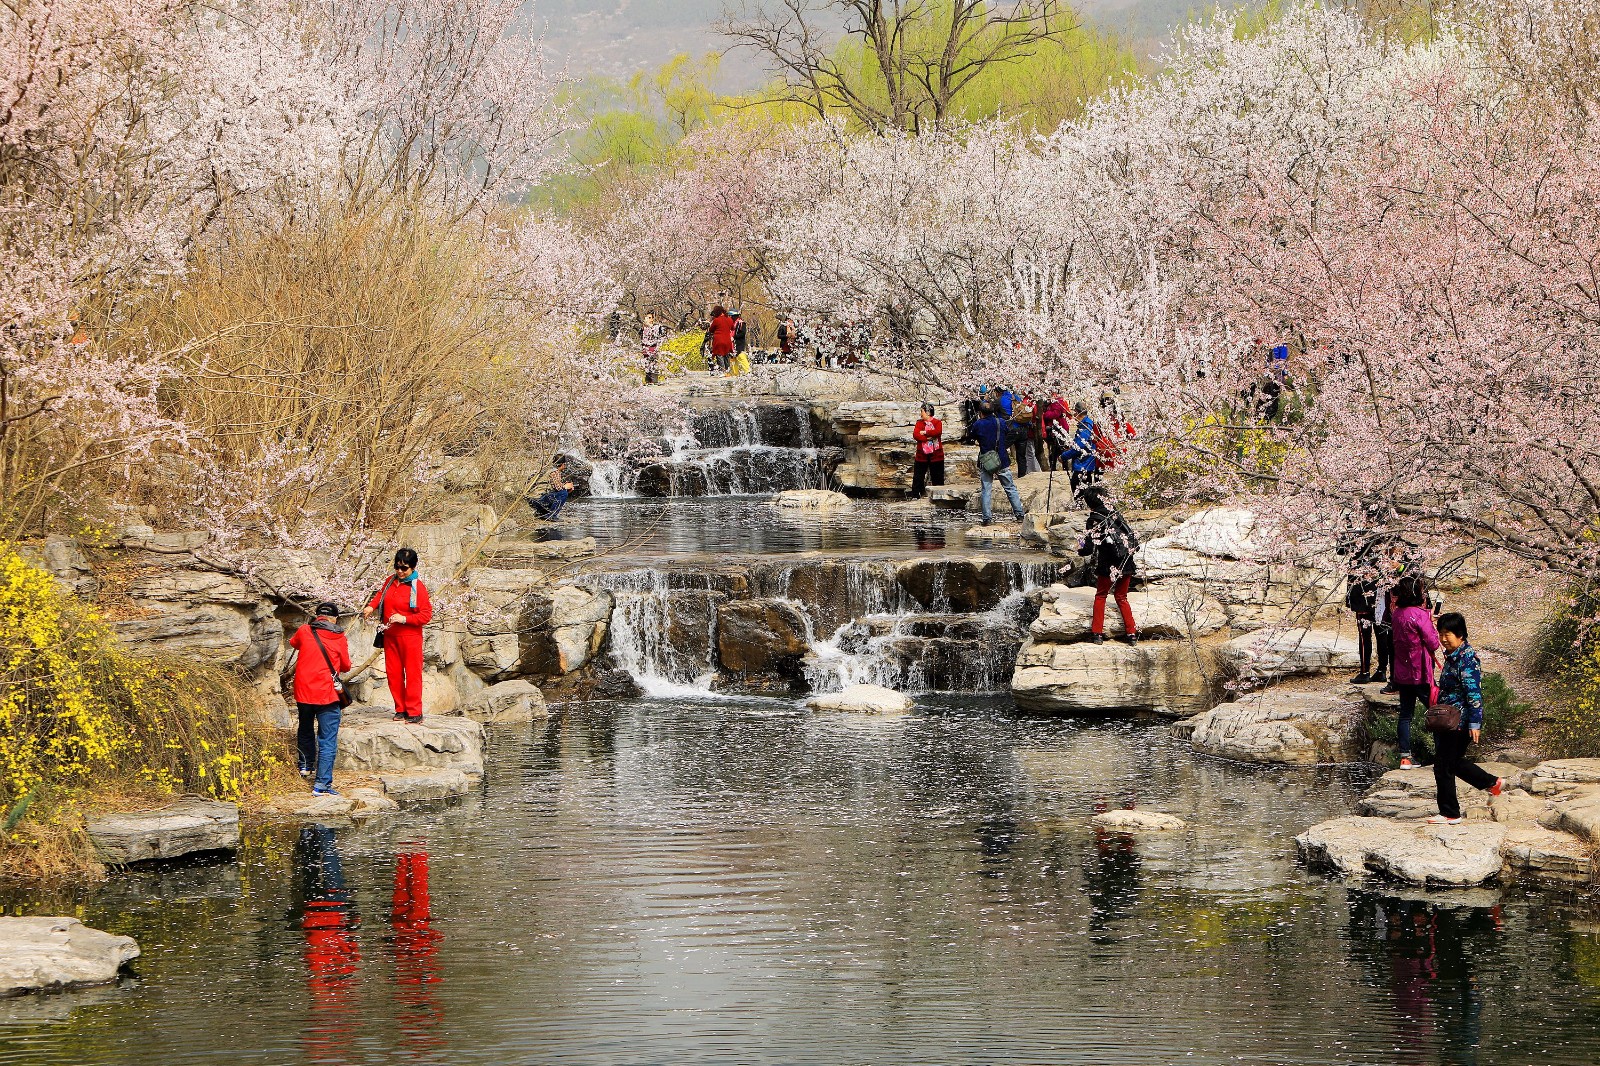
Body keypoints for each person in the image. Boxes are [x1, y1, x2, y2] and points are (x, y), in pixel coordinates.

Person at [1428, 611, 1506, 824]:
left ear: (1460, 634)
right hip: (1447, 721)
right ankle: (1492, 783)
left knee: (1444, 765)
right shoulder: (1453, 657)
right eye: (1441, 634)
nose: (1444, 639)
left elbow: (1474, 694)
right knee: (1452, 763)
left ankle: (1450, 813)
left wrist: (1474, 723)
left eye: (1448, 634)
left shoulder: (1467, 659)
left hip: (1458, 722)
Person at [289, 602, 351, 796]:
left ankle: (305, 767)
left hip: (304, 691)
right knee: (327, 739)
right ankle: (321, 785)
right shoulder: (339, 636)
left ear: (317, 617)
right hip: (327, 694)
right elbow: (346, 666)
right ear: (335, 619)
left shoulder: (304, 630)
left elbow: (294, 643)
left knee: (305, 728)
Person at [365, 548, 433, 724]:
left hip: (410, 636)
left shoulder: (418, 587)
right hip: (390, 635)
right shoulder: (390, 581)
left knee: (412, 674)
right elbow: (380, 595)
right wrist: (371, 606)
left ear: (413, 568)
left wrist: (405, 619)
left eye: (405, 568)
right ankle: (400, 709)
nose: (400, 572)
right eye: (398, 567)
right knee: (393, 674)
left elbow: (426, 615)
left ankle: (414, 711)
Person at [1390, 574, 1441, 771]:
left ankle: (1405, 757)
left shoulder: (1397, 614)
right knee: (1436, 710)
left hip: (1403, 673)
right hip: (1420, 672)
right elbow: (1433, 643)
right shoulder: (1419, 615)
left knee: (1405, 714)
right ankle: (1442, 753)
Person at [1079, 485, 1140, 645]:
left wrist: (1079, 545)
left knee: (1101, 596)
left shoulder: (1094, 520)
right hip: (1126, 562)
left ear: (1089, 502)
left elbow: (1087, 550)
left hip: (1108, 565)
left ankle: (1097, 634)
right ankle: (1132, 634)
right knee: (1121, 597)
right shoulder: (1116, 514)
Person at [969, 402, 1026, 525]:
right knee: (1010, 488)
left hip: (986, 461)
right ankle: (1020, 515)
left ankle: (987, 518)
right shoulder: (1000, 422)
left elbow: (972, 436)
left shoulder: (978, 424)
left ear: (981, 413)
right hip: (1002, 459)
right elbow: (1006, 433)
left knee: (986, 489)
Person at [1065, 400, 1100, 498]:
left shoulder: (1086, 426)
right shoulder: (1085, 424)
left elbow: (1079, 447)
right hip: (1084, 464)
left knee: (1079, 492)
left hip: (1083, 464)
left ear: (1077, 412)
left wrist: (1064, 456)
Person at [911, 402, 945, 498]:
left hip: (936, 455)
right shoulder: (919, 423)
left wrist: (925, 432)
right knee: (918, 476)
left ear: (928, 412)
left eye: (922, 411)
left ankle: (939, 497)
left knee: (937, 477)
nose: (921, 414)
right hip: (922, 455)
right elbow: (916, 435)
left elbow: (937, 432)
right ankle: (916, 495)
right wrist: (927, 438)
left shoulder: (937, 422)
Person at [1010, 393, 1039, 475]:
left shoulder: (1026, 402)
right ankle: (1024, 473)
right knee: (1023, 454)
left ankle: (1033, 470)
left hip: (1017, 429)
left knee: (1029, 452)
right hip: (1025, 429)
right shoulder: (1026, 401)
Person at [1043, 394, 1070, 471]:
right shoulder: (1054, 401)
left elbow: (1056, 413)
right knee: (1055, 449)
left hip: (1060, 428)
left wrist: (1045, 414)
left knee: (1060, 448)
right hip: (1056, 428)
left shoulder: (1057, 401)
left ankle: (1063, 467)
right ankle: (1054, 467)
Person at [707, 304, 735, 373]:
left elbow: (711, 330)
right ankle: (728, 372)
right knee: (726, 357)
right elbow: (732, 328)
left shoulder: (716, 320)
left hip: (719, 342)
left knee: (720, 357)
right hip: (727, 342)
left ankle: (722, 372)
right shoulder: (729, 319)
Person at [641, 313, 667, 384]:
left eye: (649, 318)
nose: (647, 319)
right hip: (646, 351)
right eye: (646, 317)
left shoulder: (656, 327)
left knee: (653, 366)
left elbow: (658, 337)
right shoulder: (644, 329)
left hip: (653, 350)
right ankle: (647, 382)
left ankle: (654, 382)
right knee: (647, 368)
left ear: (652, 319)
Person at [729, 309, 751, 375]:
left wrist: (734, 337)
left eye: (732, 316)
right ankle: (735, 373)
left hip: (739, 343)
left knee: (740, 356)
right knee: (733, 357)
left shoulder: (741, 323)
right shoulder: (731, 323)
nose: (731, 317)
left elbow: (743, 333)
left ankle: (747, 371)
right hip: (732, 343)